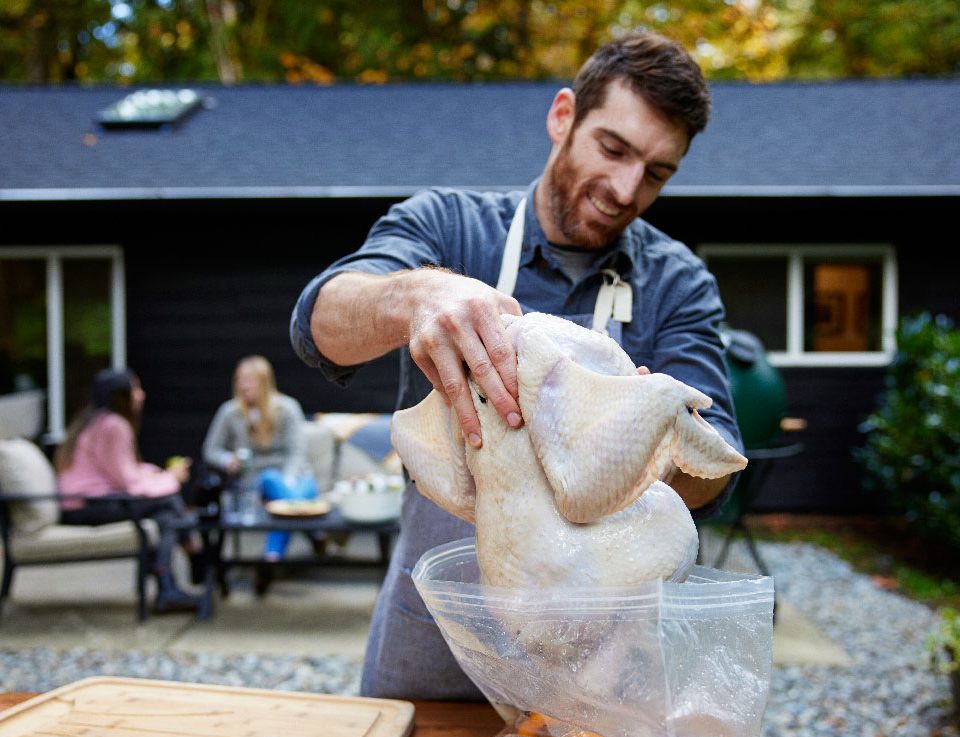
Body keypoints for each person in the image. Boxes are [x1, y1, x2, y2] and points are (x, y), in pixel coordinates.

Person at [290, 32, 743, 699]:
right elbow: (319, 324)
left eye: (655, 172)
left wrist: (643, 432)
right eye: (613, 149)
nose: (625, 189)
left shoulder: (677, 282)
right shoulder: (450, 226)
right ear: (564, 116)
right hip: (440, 628)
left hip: (602, 653)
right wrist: (416, 295)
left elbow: (717, 470)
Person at [55, 368, 204, 614]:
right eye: (135, 389)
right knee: (167, 501)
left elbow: (120, 471)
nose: (141, 395)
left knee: (165, 514)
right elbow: (128, 484)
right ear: (120, 396)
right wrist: (171, 478)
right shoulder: (113, 425)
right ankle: (192, 557)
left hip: (84, 502)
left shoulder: (96, 421)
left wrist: (156, 474)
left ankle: (169, 586)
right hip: (87, 506)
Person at [202, 356, 317, 589]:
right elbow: (211, 450)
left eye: (249, 380)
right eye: (240, 380)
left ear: (264, 381)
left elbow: (297, 452)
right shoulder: (229, 412)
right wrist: (227, 460)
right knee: (270, 480)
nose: (243, 385)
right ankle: (313, 533)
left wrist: (287, 482)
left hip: (293, 481)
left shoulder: (287, 408)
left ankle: (271, 558)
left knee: (293, 489)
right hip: (254, 481)